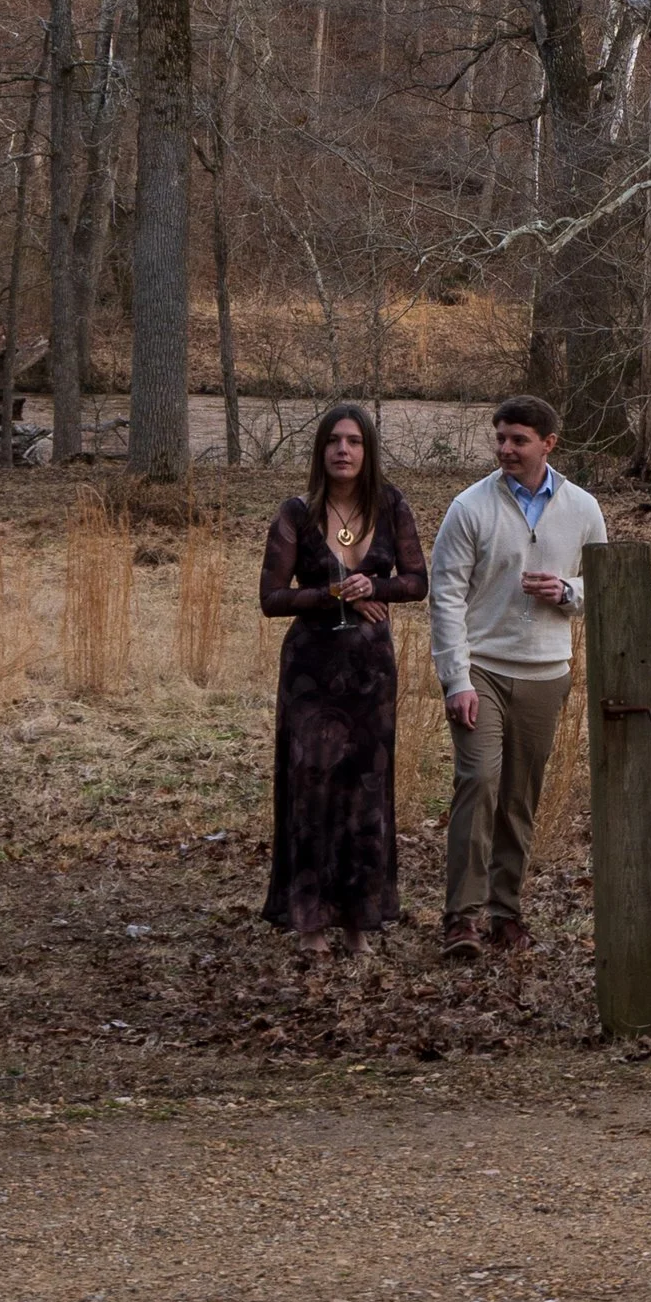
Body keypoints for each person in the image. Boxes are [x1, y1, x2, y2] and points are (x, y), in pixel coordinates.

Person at [428, 395, 609, 960]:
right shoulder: (470, 506)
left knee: (518, 799)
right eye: (500, 438)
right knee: (478, 782)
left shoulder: (582, 508)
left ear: (548, 444)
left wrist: (568, 592)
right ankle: (461, 918)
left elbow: (605, 582)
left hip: (546, 673)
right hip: (481, 668)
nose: (506, 449)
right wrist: (456, 678)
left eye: (519, 440)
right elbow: (446, 596)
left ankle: (506, 914)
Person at [260, 402, 429, 944]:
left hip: (370, 675)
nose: (343, 450)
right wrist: (333, 592)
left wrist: (373, 587)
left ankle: (359, 921)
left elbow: (418, 580)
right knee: (311, 787)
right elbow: (271, 599)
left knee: (364, 789)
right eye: (334, 440)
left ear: (368, 450)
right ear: (320, 450)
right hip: (310, 673)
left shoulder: (392, 506)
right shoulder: (296, 513)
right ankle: (309, 923)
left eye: (354, 441)